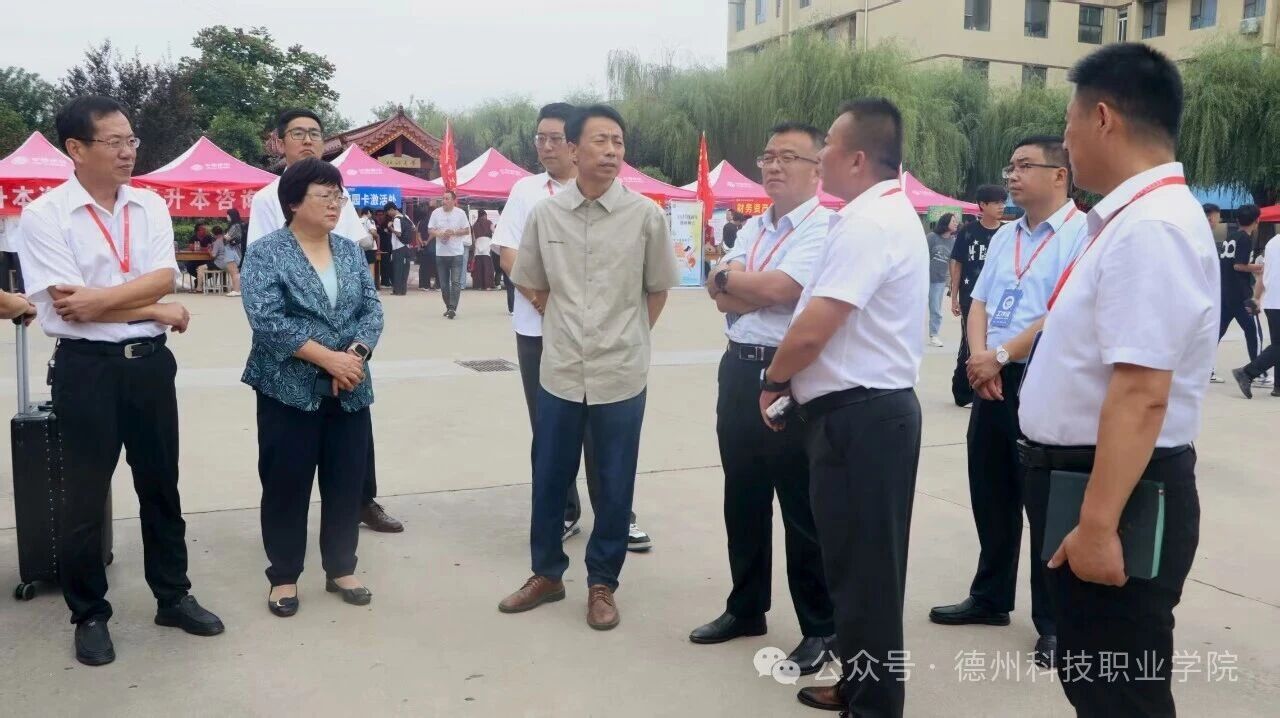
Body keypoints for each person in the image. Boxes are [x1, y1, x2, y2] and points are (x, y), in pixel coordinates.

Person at [1019, 43, 1217, 716]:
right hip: (1090, 480)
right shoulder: (1133, 219)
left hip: (1117, 491)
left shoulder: (1152, 228)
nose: (1067, 140)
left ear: (1102, 117)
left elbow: (1141, 393)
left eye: (1069, 122)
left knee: (1119, 691)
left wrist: (1099, 527)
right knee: (1098, 679)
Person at [18, 95, 222, 666]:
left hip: (149, 366)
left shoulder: (149, 205)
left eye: (131, 140)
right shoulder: (45, 215)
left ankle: (173, 597)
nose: (128, 151)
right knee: (84, 497)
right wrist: (153, 309)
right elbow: (67, 307)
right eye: (114, 142)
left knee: (161, 486)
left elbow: (162, 277)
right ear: (76, 149)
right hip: (86, 369)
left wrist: (119, 300)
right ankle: (89, 613)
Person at [761, 99, 925, 717]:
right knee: (854, 569)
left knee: (868, 575)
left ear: (857, 159)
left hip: (864, 419)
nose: (820, 153)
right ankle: (860, 683)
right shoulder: (870, 215)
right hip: (857, 416)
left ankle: (875, 704)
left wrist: (774, 380)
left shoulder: (869, 223)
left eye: (827, 143)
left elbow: (814, 327)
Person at [499, 104, 678, 630]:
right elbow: (529, 278)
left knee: (614, 481)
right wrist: (561, 323)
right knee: (549, 477)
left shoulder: (645, 216)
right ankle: (546, 574)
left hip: (620, 374)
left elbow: (657, 290)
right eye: (601, 141)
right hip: (558, 371)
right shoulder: (546, 214)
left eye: (618, 141)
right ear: (574, 150)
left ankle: (603, 582)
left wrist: (627, 338)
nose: (612, 151)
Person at [928, 136, 1088, 670]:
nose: (1012, 176)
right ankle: (991, 597)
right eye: (1010, 167)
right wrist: (980, 358)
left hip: (1044, 378)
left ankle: (1055, 623)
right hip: (989, 376)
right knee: (990, 488)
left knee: (1044, 504)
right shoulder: (1006, 235)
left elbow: (1063, 313)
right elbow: (979, 301)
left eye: (1025, 166)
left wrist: (998, 355)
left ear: (1060, 175)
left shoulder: (1082, 234)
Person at [692, 122, 835, 675]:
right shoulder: (754, 226)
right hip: (738, 370)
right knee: (743, 494)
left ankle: (820, 626)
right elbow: (717, 288)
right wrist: (735, 283)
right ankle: (746, 606)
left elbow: (783, 290)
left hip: (790, 376)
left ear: (818, 168)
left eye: (789, 157)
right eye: (768, 156)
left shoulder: (825, 228)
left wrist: (736, 283)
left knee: (801, 505)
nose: (774, 166)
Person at [491, 102, 652, 551]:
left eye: (555, 138)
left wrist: (622, 329)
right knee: (550, 431)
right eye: (539, 138)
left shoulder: (624, 200)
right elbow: (509, 256)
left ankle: (616, 516)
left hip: (605, 341)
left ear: (576, 144)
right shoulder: (527, 193)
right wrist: (550, 307)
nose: (546, 146)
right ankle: (563, 513)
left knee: (605, 432)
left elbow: (652, 285)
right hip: (539, 334)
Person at [247, 108, 403, 534]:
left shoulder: (337, 192)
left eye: (315, 133)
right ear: (278, 142)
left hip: (347, 348)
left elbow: (352, 263)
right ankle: (286, 545)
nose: (308, 141)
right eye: (298, 133)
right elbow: (267, 290)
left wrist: (351, 354)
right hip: (295, 353)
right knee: (289, 461)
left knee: (352, 445)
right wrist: (324, 355)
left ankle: (361, 502)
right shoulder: (268, 199)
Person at [242, 158, 384, 617]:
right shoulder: (266, 252)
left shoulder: (349, 251)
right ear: (293, 203)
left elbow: (371, 309)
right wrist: (328, 359)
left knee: (346, 479)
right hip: (288, 387)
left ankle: (341, 567)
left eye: (338, 196)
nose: (334, 205)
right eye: (324, 196)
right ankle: (284, 575)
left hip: (349, 386)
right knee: (286, 482)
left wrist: (354, 357)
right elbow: (267, 320)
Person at [948, 185, 1006, 407]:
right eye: (996, 202)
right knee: (970, 343)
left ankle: (988, 388)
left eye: (1003, 202)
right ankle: (963, 391)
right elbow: (957, 265)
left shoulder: (1007, 233)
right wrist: (954, 297)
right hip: (970, 297)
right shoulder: (967, 232)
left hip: (998, 298)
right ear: (982, 205)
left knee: (992, 342)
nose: (1001, 206)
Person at [1216, 204, 1267, 386]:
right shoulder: (1245, 238)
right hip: (1241, 294)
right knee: (1254, 333)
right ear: (1257, 220)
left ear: (1238, 220)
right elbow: (1239, 265)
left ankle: (1206, 368)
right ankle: (1259, 373)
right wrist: (1260, 267)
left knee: (1217, 332)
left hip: (1225, 292)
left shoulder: (1231, 237)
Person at [1233, 233, 1280, 397]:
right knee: (1278, 346)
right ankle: (1246, 372)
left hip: (1272, 301)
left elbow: (1264, 272)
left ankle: (1278, 387)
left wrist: (1257, 297)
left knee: (1277, 345)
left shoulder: (1273, 242)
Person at [428, 190, 470, 319]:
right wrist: (439, 233)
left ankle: (452, 308)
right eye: (443, 198)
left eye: (447, 199)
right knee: (444, 284)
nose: (444, 201)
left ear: (454, 201)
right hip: (441, 253)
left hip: (456, 253)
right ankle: (448, 306)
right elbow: (430, 229)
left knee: (455, 282)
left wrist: (454, 232)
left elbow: (467, 230)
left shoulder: (460, 213)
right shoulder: (436, 213)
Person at [927, 212, 958, 347]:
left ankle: (934, 335)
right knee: (916, 307)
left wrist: (952, 280)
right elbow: (922, 255)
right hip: (924, 279)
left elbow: (952, 262)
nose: (956, 223)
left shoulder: (953, 242)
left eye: (956, 221)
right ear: (945, 223)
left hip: (939, 281)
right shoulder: (932, 237)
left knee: (936, 309)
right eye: (953, 221)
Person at [197, 225, 242, 297]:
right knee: (234, 273)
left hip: (220, 264)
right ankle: (228, 287)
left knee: (200, 268)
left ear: (214, 234)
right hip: (232, 263)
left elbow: (213, 255)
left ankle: (199, 288)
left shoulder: (217, 242)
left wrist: (209, 251)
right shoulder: (228, 240)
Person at [385, 202, 411, 296]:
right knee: (404, 269)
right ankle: (403, 290)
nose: (388, 214)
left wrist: (390, 227)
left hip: (398, 247)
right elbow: (413, 228)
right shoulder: (406, 216)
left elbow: (398, 233)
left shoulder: (396, 219)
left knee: (397, 269)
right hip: (407, 246)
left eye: (388, 212)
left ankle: (397, 290)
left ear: (391, 209)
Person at [416, 199, 439, 292]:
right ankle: (438, 286)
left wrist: (422, 242)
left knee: (425, 266)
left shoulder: (421, 221)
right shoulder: (435, 222)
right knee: (436, 266)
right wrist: (427, 241)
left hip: (424, 247)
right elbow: (433, 233)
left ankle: (425, 285)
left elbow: (418, 234)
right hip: (434, 246)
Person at [184, 222, 215, 291]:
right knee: (189, 266)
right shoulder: (193, 237)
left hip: (206, 259)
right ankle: (199, 280)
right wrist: (205, 248)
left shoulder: (209, 237)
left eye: (205, 229)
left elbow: (212, 248)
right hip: (195, 259)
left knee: (213, 268)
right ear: (197, 231)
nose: (205, 230)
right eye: (203, 229)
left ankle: (198, 281)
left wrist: (199, 248)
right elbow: (191, 247)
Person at [470, 209, 495, 290]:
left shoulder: (474, 225)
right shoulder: (489, 222)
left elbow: (473, 238)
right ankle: (487, 286)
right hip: (487, 245)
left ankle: (479, 285)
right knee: (487, 266)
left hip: (478, 246)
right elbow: (494, 231)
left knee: (478, 267)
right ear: (485, 215)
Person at [359, 207, 379, 284]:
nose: (371, 215)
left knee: (361, 267)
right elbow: (373, 232)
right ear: (368, 212)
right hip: (370, 247)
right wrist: (377, 236)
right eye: (371, 213)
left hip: (359, 247)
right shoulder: (370, 220)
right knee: (371, 267)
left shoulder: (357, 221)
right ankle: (371, 286)